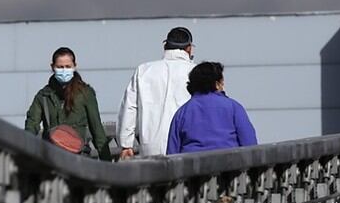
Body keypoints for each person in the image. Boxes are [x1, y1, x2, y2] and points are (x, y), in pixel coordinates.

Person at [116, 26, 195, 158]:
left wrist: (126, 144)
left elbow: (129, 107)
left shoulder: (144, 70)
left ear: (165, 46)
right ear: (189, 48)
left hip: (151, 147)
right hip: (186, 145)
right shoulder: (196, 71)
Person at [25, 47, 112, 160]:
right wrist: (25, 148)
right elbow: (32, 124)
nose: (64, 70)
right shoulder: (43, 96)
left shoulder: (85, 94)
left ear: (74, 66)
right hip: (51, 158)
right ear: (52, 67)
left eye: (67, 67)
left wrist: (107, 161)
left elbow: (96, 129)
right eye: (60, 67)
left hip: (78, 157)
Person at [166, 61, 258, 155]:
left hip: (191, 167)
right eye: (222, 82)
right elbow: (250, 145)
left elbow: (172, 153)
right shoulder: (233, 107)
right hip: (229, 165)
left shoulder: (182, 113)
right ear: (217, 84)